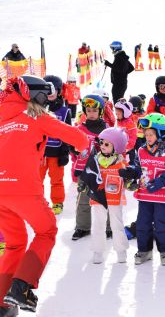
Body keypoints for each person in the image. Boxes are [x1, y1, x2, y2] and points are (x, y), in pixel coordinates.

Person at [0, 76, 88, 315]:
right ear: (35, 96)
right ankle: (21, 287)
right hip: (23, 189)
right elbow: (79, 139)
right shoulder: (36, 116)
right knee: (46, 230)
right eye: (46, 97)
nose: (49, 102)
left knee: (15, 243)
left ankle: (2, 302)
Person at [118, 113, 165, 266]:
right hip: (145, 196)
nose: (147, 137)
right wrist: (131, 171)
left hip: (162, 196)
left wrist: (162, 181)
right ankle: (144, 251)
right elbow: (138, 168)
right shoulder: (141, 151)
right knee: (142, 224)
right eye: (146, 134)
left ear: (161, 133)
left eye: (151, 134)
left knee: (161, 224)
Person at [82, 127, 130, 264]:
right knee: (98, 223)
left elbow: (128, 178)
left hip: (115, 197)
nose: (102, 146)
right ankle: (98, 250)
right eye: (101, 143)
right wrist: (84, 183)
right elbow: (89, 174)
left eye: (107, 144)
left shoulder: (121, 162)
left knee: (117, 223)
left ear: (117, 147)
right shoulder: (95, 160)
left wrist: (130, 182)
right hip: (98, 196)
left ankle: (121, 250)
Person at [72, 94, 109, 241]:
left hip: (104, 170)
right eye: (88, 110)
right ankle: (82, 227)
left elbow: (117, 146)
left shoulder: (107, 129)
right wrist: (73, 149)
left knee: (107, 198)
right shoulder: (79, 128)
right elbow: (73, 146)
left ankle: (108, 227)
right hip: (86, 170)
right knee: (83, 199)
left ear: (100, 112)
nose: (91, 113)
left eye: (94, 110)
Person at [40, 75, 72, 215]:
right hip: (40, 154)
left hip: (56, 153)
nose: (50, 93)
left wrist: (64, 153)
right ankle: (38, 201)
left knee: (57, 179)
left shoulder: (65, 112)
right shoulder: (37, 108)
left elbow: (68, 134)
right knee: (36, 179)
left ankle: (57, 202)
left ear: (59, 91)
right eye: (47, 90)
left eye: (53, 90)